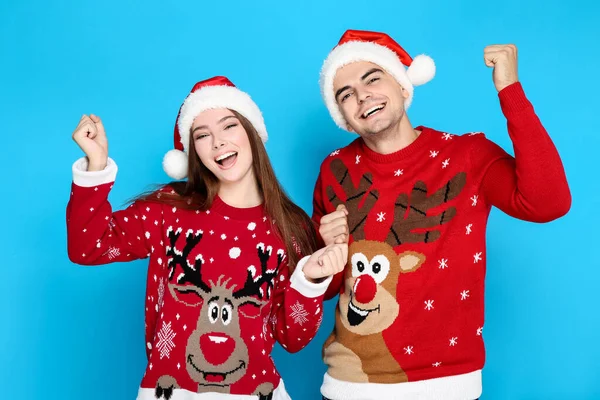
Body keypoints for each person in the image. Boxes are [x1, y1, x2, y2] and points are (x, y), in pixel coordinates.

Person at [312, 29, 571, 400]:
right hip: (350, 382)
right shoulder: (334, 170)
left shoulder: (469, 155)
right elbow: (328, 287)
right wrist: (325, 251)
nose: (362, 96)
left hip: (447, 384)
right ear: (345, 119)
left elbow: (549, 202)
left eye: (372, 79)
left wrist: (510, 91)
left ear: (403, 86)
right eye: (346, 95)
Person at [67, 76, 348, 400]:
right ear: (193, 150)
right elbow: (88, 246)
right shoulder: (168, 210)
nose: (218, 142)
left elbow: (293, 337)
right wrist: (96, 165)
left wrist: (310, 281)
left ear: (252, 132)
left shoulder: (291, 226)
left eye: (229, 126)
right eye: (203, 135)